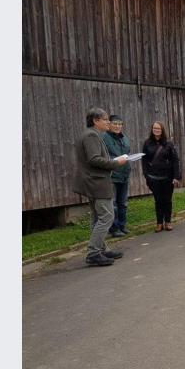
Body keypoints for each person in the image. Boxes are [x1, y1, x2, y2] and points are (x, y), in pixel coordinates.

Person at [71, 107, 127, 267]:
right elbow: (94, 159)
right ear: (96, 121)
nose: (108, 122)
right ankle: (94, 253)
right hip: (97, 183)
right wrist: (116, 163)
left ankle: (102, 248)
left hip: (94, 182)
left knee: (97, 217)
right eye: (105, 119)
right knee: (107, 217)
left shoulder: (93, 134)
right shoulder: (91, 135)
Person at [142, 121, 181, 232]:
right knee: (158, 201)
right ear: (152, 129)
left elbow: (175, 160)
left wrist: (176, 176)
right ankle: (159, 223)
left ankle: (168, 222)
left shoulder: (169, 144)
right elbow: (144, 161)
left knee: (167, 200)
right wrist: (146, 175)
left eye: (158, 128)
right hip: (153, 178)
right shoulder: (147, 143)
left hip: (167, 177)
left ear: (162, 130)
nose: (156, 130)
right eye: (154, 128)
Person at [102, 114, 132, 238]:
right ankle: (114, 228)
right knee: (113, 203)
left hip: (124, 173)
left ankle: (122, 226)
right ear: (109, 125)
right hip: (112, 175)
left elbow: (126, 153)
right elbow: (104, 157)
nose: (118, 126)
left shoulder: (124, 137)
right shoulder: (104, 138)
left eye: (120, 124)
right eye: (115, 124)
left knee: (123, 202)